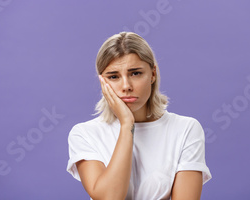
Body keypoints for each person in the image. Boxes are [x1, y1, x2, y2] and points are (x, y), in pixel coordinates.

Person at [66, 32, 212, 200]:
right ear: (102, 82)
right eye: (113, 77)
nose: (126, 86)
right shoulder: (84, 134)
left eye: (135, 73)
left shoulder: (185, 129)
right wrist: (127, 124)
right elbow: (108, 198)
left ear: (153, 74)